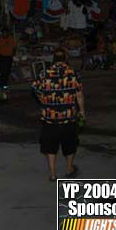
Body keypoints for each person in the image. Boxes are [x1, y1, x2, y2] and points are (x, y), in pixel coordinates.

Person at [32, 49, 86, 182]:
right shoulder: (73, 73)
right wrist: (82, 111)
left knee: (50, 146)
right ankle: (69, 169)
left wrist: (44, 100)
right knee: (70, 144)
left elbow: (35, 88)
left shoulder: (44, 74)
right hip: (68, 116)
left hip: (50, 117)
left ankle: (52, 173)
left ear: (53, 59)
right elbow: (79, 94)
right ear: (66, 58)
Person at [0, 30, 17, 95]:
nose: (4, 34)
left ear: (8, 33)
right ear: (2, 33)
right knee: (2, 72)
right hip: (2, 58)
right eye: (3, 33)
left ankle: (5, 86)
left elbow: (15, 47)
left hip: (9, 58)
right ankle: (1, 87)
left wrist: (13, 54)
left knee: (7, 72)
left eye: (6, 32)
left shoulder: (11, 39)